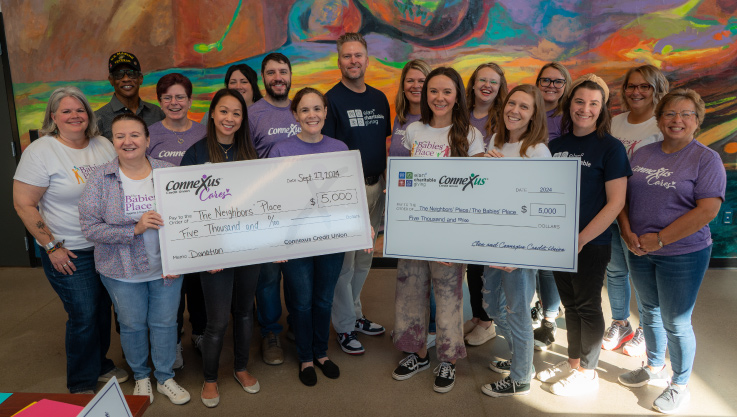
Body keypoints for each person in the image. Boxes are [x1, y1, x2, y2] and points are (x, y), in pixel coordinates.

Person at [617, 89, 725, 414]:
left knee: (676, 321)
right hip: (639, 248)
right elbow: (622, 196)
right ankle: (653, 366)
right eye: (669, 114)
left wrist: (661, 239)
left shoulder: (707, 159)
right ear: (659, 119)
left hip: (683, 254)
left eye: (686, 114)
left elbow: (707, 210)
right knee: (648, 312)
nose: (677, 120)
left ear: (697, 120)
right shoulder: (642, 154)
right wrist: (626, 231)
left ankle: (679, 385)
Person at [13, 87, 126, 394]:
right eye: (66, 111)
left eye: (80, 110)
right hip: (70, 249)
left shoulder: (103, 144)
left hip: (106, 245)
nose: (75, 116)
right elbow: (24, 204)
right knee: (84, 314)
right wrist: (52, 247)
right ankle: (81, 383)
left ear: (89, 115)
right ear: (53, 116)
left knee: (103, 308)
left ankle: (100, 364)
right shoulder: (41, 152)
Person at [79, 114, 190, 405]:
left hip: (166, 267)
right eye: (120, 136)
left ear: (147, 140)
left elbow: (186, 218)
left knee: (166, 322)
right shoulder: (99, 179)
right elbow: (90, 227)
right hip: (121, 270)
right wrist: (135, 229)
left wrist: (182, 256)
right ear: (112, 141)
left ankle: (165, 377)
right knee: (132, 325)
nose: (128, 141)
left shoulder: (168, 173)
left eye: (135, 135)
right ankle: (141, 377)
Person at [536, 74, 631, 396]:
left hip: (591, 243)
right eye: (579, 101)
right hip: (557, 241)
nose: (585, 109)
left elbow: (616, 202)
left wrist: (581, 238)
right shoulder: (556, 146)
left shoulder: (611, 148)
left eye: (594, 104)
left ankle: (588, 374)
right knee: (570, 305)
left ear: (602, 109)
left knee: (587, 306)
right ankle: (573, 363)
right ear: (569, 104)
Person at [391, 67, 484, 394]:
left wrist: (459, 239)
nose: (439, 97)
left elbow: (477, 189)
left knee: (448, 297)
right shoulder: (413, 130)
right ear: (424, 95)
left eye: (446, 91)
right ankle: (415, 352)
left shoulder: (471, 136)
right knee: (410, 290)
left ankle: (447, 358)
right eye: (433, 91)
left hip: (450, 232)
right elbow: (404, 179)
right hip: (415, 228)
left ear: (457, 95)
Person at [180, 89, 261, 408]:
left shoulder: (249, 154)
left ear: (243, 120)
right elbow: (185, 211)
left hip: (248, 248)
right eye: (224, 111)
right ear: (212, 114)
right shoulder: (196, 154)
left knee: (244, 312)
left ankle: (241, 368)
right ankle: (210, 379)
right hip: (213, 253)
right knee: (217, 321)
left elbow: (262, 205)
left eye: (237, 113)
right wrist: (205, 253)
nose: (230, 118)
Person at [268, 87, 351, 386]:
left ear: (326, 112)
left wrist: (359, 225)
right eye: (304, 110)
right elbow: (273, 199)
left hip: (331, 239)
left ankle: (321, 352)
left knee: (323, 299)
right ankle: (305, 357)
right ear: (295, 114)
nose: (311, 115)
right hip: (295, 240)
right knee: (301, 302)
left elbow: (348, 197)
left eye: (317, 109)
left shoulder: (340, 149)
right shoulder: (280, 150)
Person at [479, 85, 551, 397]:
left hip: (519, 249)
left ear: (534, 115)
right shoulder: (494, 142)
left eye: (525, 106)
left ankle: (521, 376)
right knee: (492, 305)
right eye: (512, 103)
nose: (515, 110)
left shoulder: (537, 151)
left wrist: (522, 253)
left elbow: (542, 205)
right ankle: (520, 359)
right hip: (494, 241)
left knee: (518, 312)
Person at [323, 32, 391, 355]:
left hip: (376, 186)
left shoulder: (379, 99)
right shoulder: (331, 100)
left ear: (367, 59)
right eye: (347, 56)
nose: (353, 61)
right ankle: (345, 326)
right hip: (347, 194)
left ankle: (356, 314)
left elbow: (384, 145)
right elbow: (329, 153)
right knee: (345, 264)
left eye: (358, 56)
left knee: (365, 259)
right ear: (339, 61)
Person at [602, 64, 669, 356]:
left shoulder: (662, 124)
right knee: (615, 270)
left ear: (657, 90)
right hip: (611, 209)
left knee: (641, 272)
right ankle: (620, 322)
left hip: (643, 212)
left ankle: (645, 327)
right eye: (631, 86)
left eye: (645, 86)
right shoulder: (614, 122)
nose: (636, 91)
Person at [147, 73, 208, 369]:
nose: (174, 103)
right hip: (163, 225)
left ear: (189, 100)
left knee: (198, 283)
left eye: (180, 97)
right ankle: (172, 341)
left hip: (199, 222)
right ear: (160, 102)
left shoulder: (203, 132)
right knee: (171, 288)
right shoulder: (149, 134)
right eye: (168, 97)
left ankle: (199, 333)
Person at [249, 53, 302, 366]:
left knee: (298, 274)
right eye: (271, 73)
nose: (278, 77)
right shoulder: (253, 113)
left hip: (302, 209)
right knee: (268, 277)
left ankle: (298, 323)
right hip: (267, 209)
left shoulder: (303, 108)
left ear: (290, 74)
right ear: (263, 78)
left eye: (283, 71)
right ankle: (270, 332)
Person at [462, 62, 508, 346]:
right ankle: (478, 316)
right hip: (466, 195)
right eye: (482, 80)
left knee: (484, 264)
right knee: (471, 262)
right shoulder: (462, 115)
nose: (487, 86)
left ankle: (488, 321)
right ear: (473, 84)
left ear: (500, 86)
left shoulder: (504, 117)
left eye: (493, 81)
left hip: (491, 197)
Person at [530, 61, 572, 350]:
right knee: (528, 261)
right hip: (524, 194)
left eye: (558, 82)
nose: (551, 86)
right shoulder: (528, 111)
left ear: (565, 86)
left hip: (553, 196)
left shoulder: (567, 118)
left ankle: (549, 320)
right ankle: (536, 307)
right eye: (546, 80)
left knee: (547, 266)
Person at [95, 52, 165, 140]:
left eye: (131, 73)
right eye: (119, 74)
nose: (126, 79)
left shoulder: (157, 113)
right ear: (111, 80)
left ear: (140, 79)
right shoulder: (98, 118)